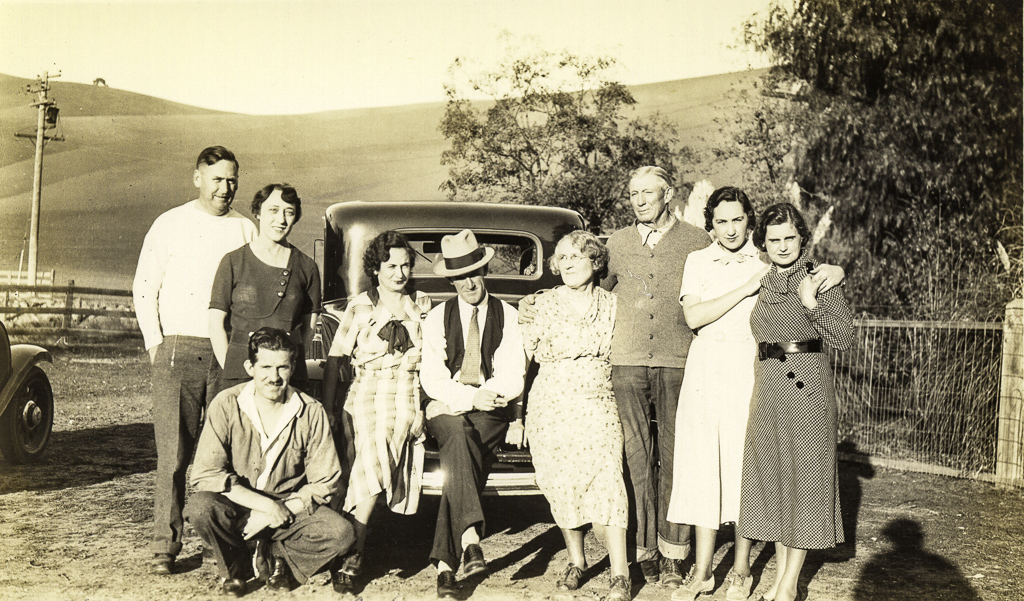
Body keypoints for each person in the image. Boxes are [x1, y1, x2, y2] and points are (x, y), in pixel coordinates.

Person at [133, 145, 257, 575]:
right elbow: (145, 287)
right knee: (174, 454)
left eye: (232, 179)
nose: (226, 188)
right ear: (197, 178)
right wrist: (156, 344)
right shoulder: (170, 223)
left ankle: (221, 541)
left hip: (229, 352)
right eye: (218, 178)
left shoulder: (246, 229)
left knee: (228, 452)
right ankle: (163, 548)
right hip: (178, 350)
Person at [184, 327, 355, 597]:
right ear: (249, 367)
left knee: (341, 533)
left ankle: (279, 558)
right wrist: (263, 506)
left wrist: (274, 511)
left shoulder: (310, 411)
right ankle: (235, 567)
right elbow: (206, 474)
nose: (274, 377)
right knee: (202, 507)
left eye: (282, 368)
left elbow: (326, 482)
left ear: (293, 366)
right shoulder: (226, 404)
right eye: (265, 367)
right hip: (239, 503)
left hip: (289, 509)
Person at [738, 203, 853, 601]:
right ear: (763, 243)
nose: (783, 246)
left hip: (806, 392)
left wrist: (810, 303)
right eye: (774, 239)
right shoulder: (765, 279)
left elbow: (843, 339)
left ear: (802, 237)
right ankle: (781, 579)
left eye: (790, 237)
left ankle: (788, 586)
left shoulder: (819, 277)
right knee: (776, 485)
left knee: (803, 484)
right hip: (768, 390)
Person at [320, 231, 433, 594]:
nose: (399, 273)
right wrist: (329, 408)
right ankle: (350, 541)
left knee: (382, 439)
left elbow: (437, 359)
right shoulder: (360, 306)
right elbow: (336, 359)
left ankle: (353, 550)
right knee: (362, 443)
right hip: (363, 391)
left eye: (405, 265)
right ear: (376, 268)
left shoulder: (423, 303)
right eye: (391, 266)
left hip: (405, 392)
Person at [522, 230, 632, 601]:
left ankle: (620, 574)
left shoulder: (613, 304)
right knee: (560, 483)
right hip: (550, 402)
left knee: (607, 477)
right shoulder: (539, 305)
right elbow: (520, 361)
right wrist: (516, 416)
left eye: (575, 257)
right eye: (561, 258)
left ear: (595, 261)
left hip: (597, 398)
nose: (567, 264)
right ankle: (576, 561)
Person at [419, 229, 528, 599]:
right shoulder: (436, 318)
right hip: (448, 405)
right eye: (459, 276)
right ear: (450, 279)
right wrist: (467, 398)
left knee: (463, 445)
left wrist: (485, 396)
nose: (468, 282)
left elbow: (514, 373)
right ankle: (469, 539)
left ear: (485, 271)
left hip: (492, 408)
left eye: (474, 273)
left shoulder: (508, 316)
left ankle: (447, 568)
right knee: (459, 435)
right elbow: (432, 377)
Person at [209, 183, 320, 394]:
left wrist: (288, 364)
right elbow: (215, 324)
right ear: (257, 212)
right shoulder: (233, 261)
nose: (281, 220)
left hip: (287, 378)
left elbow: (309, 329)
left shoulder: (307, 267)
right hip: (240, 375)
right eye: (273, 210)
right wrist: (232, 370)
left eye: (289, 212)